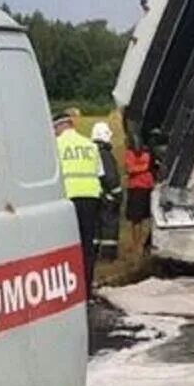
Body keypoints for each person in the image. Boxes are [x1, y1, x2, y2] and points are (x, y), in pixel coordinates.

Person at [54, 113, 102, 292]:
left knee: (66, 245)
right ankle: (86, 288)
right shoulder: (90, 145)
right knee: (87, 245)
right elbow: (100, 173)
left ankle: (69, 287)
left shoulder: (56, 146)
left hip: (68, 199)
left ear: (59, 127)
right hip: (91, 197)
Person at [92, 121, 122, 257]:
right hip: (107, 196)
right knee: (109, 225)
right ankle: (108, 255)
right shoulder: (105, 154)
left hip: (95, 194)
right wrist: (118, 194)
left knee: (96, 226)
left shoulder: (91, 151)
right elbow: (110, 177)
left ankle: (94, 252)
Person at [122, 139, 155, 259]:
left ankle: (145, 243)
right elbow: (130, 169)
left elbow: (140, 166)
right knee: (136, 219)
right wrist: (144, 167)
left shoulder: (148, 152)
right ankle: (136, 245)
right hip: (135, 188)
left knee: (149, 218)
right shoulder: (129, 153)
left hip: (147, 186)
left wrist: (140, 166)